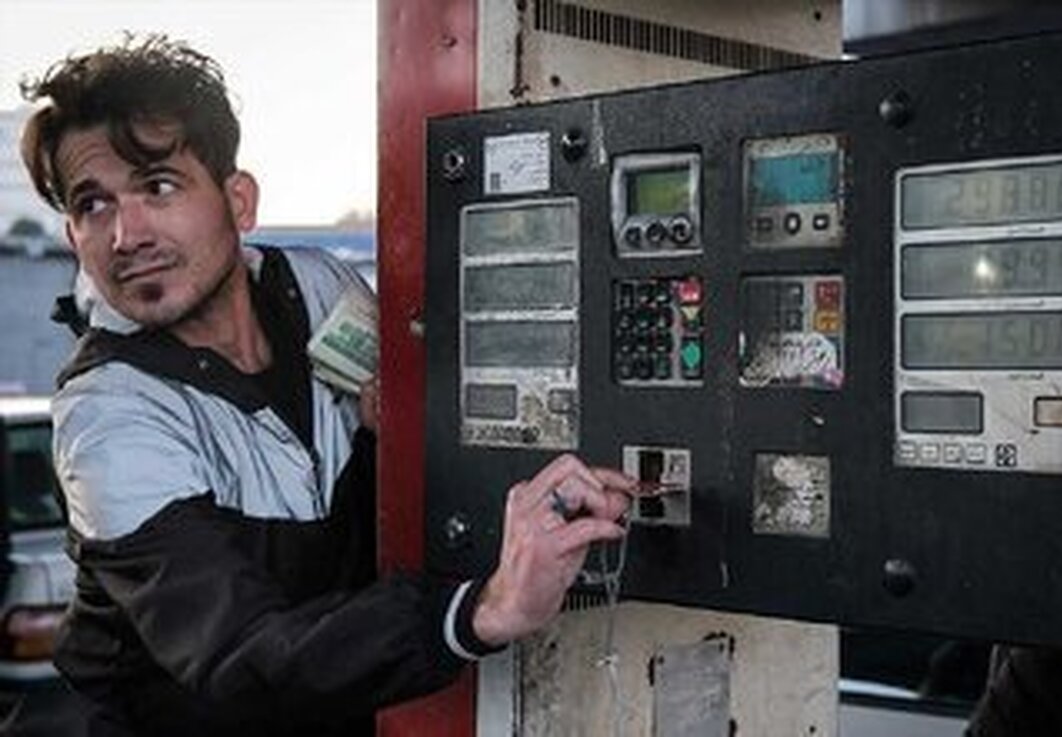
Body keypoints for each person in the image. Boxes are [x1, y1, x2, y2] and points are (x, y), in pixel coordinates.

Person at [19, 35, 635, 736]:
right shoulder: (105, 415)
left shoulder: (317, 287)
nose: (125, 234)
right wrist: (482, 608)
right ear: (72, 236)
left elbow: (431, 443)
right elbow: (241, 655)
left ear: (238, 201)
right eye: (92, 205)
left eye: (157, 186)